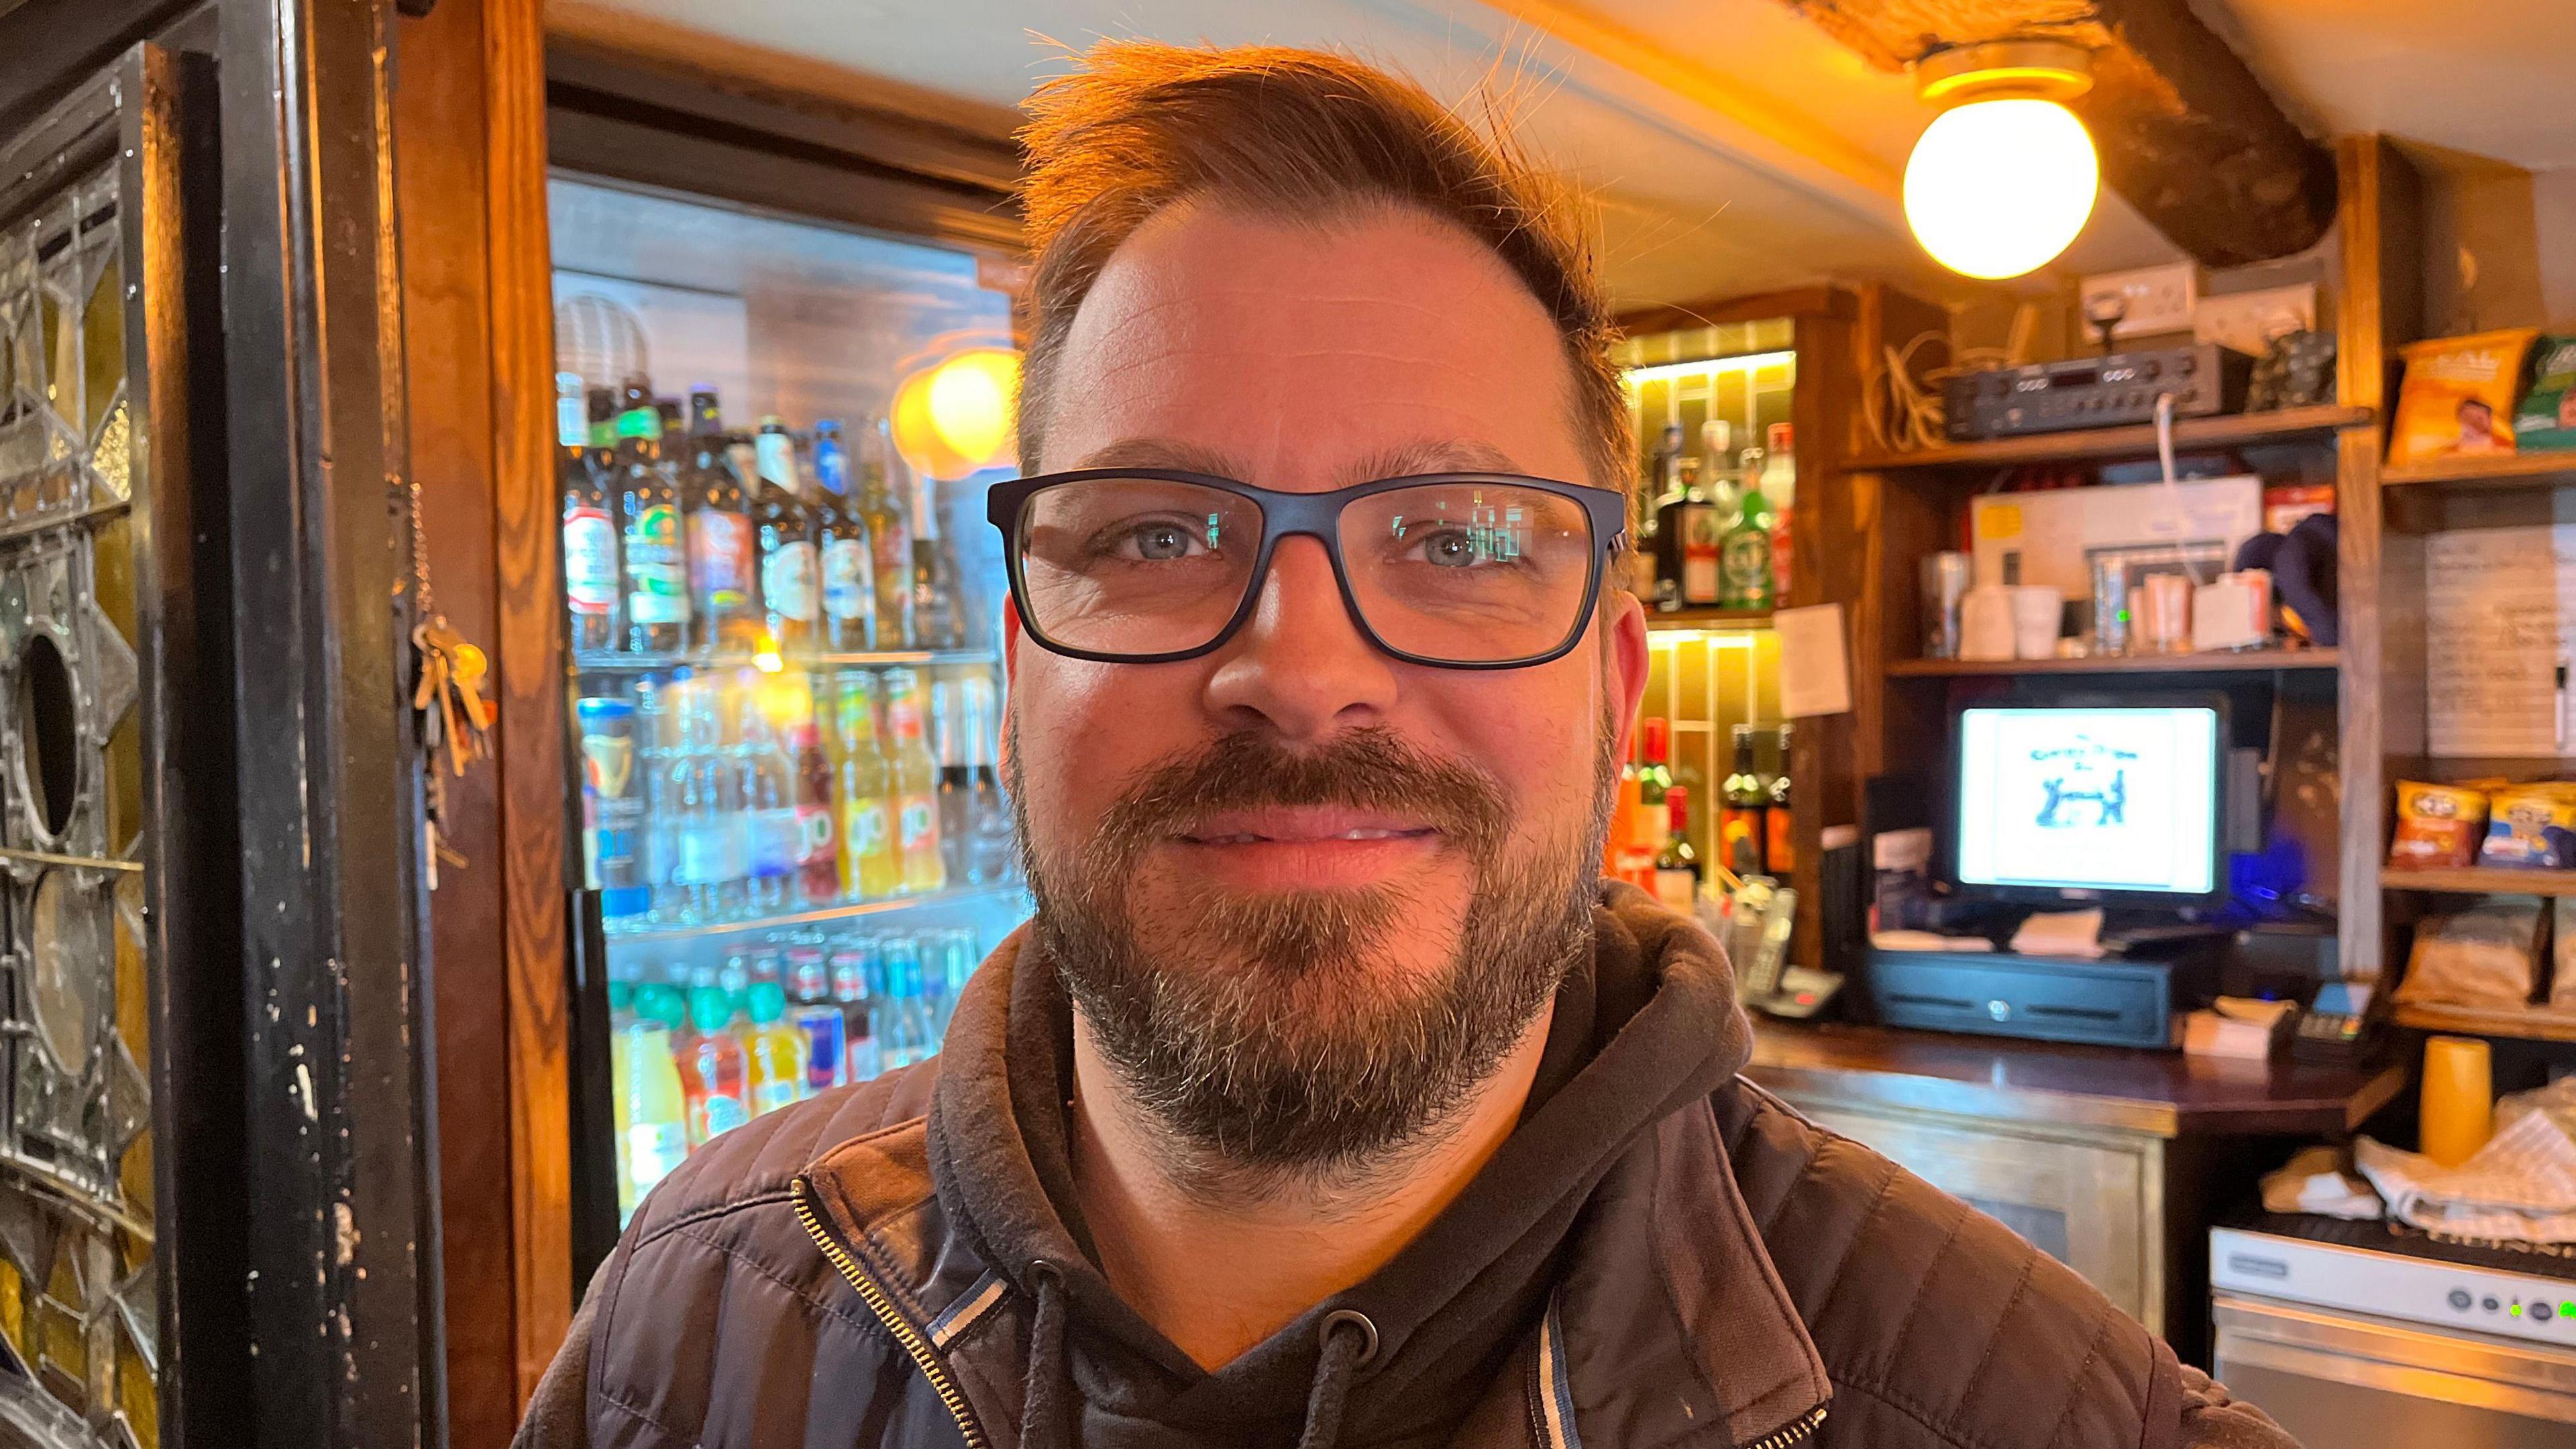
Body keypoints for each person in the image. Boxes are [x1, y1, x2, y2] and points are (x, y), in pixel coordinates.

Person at [515, 42, 2297, 1449]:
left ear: (1617, 693)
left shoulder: (2048, 1412)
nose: (1302, 672)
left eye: (1455, 543)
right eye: (1152, 532)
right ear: (1012, 667)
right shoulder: (690, 1324)